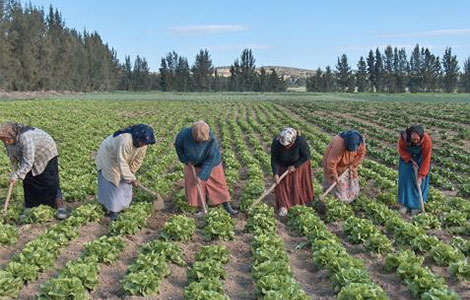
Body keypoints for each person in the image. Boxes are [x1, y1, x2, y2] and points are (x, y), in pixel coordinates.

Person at [0, 122, 66, 219]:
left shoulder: (25, 137)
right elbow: (12, 154)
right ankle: (30, 207)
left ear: (13, 135)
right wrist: (14, 169)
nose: (5, 142)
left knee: (50, 181)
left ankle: (60, 207)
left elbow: (28, 163)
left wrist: (17, 174)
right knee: (28, 180)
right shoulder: (7, 139)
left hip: (46, 152)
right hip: (29, 154)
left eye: (7, 139)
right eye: (3, 140)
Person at [175, 120, 237, 216]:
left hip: (212, 163)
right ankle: (202, 208)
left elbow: (210, 159)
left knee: (218, 184)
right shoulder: (183, 136)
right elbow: (179, 148)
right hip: (192, 164)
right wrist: (186, 160)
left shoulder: (211, 138)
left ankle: (227, 206)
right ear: (193, 135)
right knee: (195, 186)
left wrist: (201, 176)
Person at [95, 124, 155, 220]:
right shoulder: (125, 140)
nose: (143, 144)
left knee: (125, 182)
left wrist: (131, 174)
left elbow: (138, 160)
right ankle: (113, 210)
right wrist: (131, 178)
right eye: (142, 142)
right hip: (109, 157)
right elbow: (122, 162)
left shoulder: (144, 144)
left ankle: (123, 205)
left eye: (145, 143)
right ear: (137, 136)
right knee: (112, 181)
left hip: (120, 159)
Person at [271, 127, 314, 217]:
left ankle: (299, 202)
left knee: (297, 183)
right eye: (284, 145)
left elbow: (306, 156)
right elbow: (274, 159)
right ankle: (283, 206)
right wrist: (275, 173)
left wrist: (295, 166)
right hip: (282, 164)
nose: (285, 147)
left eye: (287, 145)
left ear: (293, 141)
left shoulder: (300, 141)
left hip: (299, 163)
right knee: (281, 184)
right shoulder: (276, 142)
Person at [322, 130, 366, 203]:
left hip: (349, 165)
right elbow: (331, 163)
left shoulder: (361, 142)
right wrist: (334, 174)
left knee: (351, 179)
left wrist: (353, 164)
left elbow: (361, 155)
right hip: (335, 164)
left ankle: (350, 198)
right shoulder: (338, 144)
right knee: (335, 182)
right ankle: (334, 200)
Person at [397, 125, 431, 216]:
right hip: (407, 159)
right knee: (405, 180)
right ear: (409, 136)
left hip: (421, 159)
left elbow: (426, 159)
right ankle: (405, 205)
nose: (415, 141)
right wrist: (411, 160)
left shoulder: (426, 140)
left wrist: (421, 176)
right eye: (413, 139)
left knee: (419, 183)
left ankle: (416, 206)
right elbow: (401, 150)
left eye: (417, 140)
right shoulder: (404, 138)